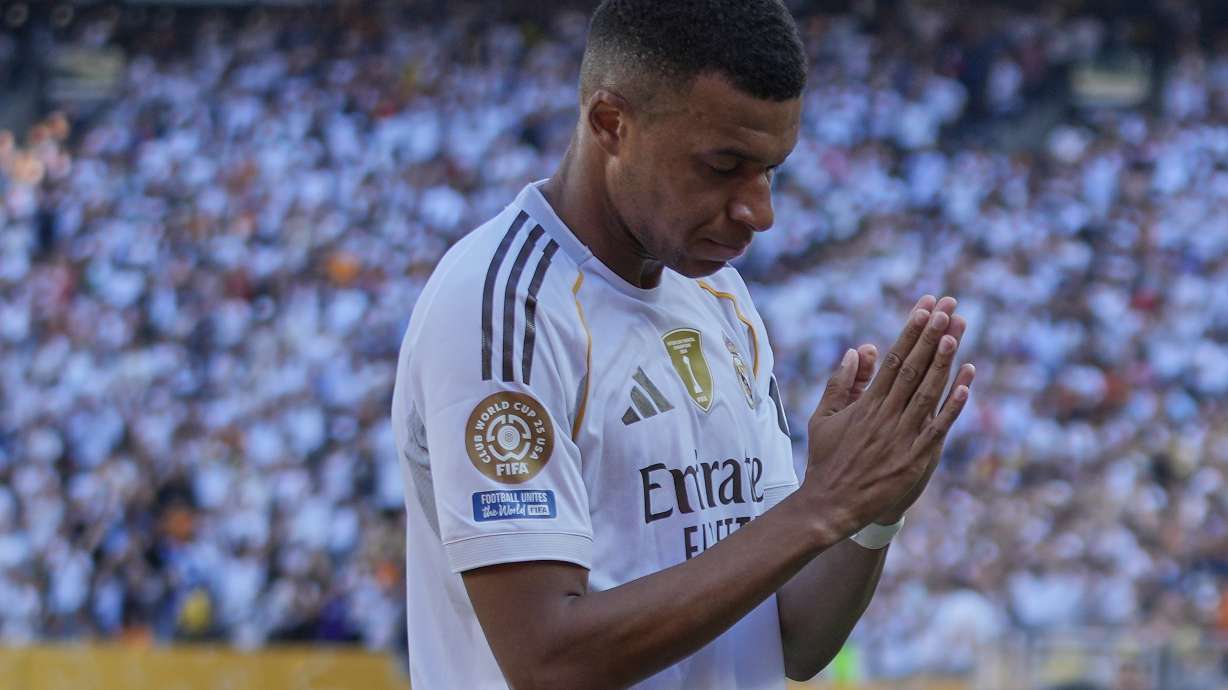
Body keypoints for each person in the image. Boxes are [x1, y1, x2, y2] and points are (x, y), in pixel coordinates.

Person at [390, 1, 977, 687]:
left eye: (771, 170)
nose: (760, 211)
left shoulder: (720, 298)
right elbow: (548, 660)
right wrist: (821, 508)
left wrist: (871, 515)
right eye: (724, 166)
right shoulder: (504, 307)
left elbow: (792, 636)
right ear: (613, 124)